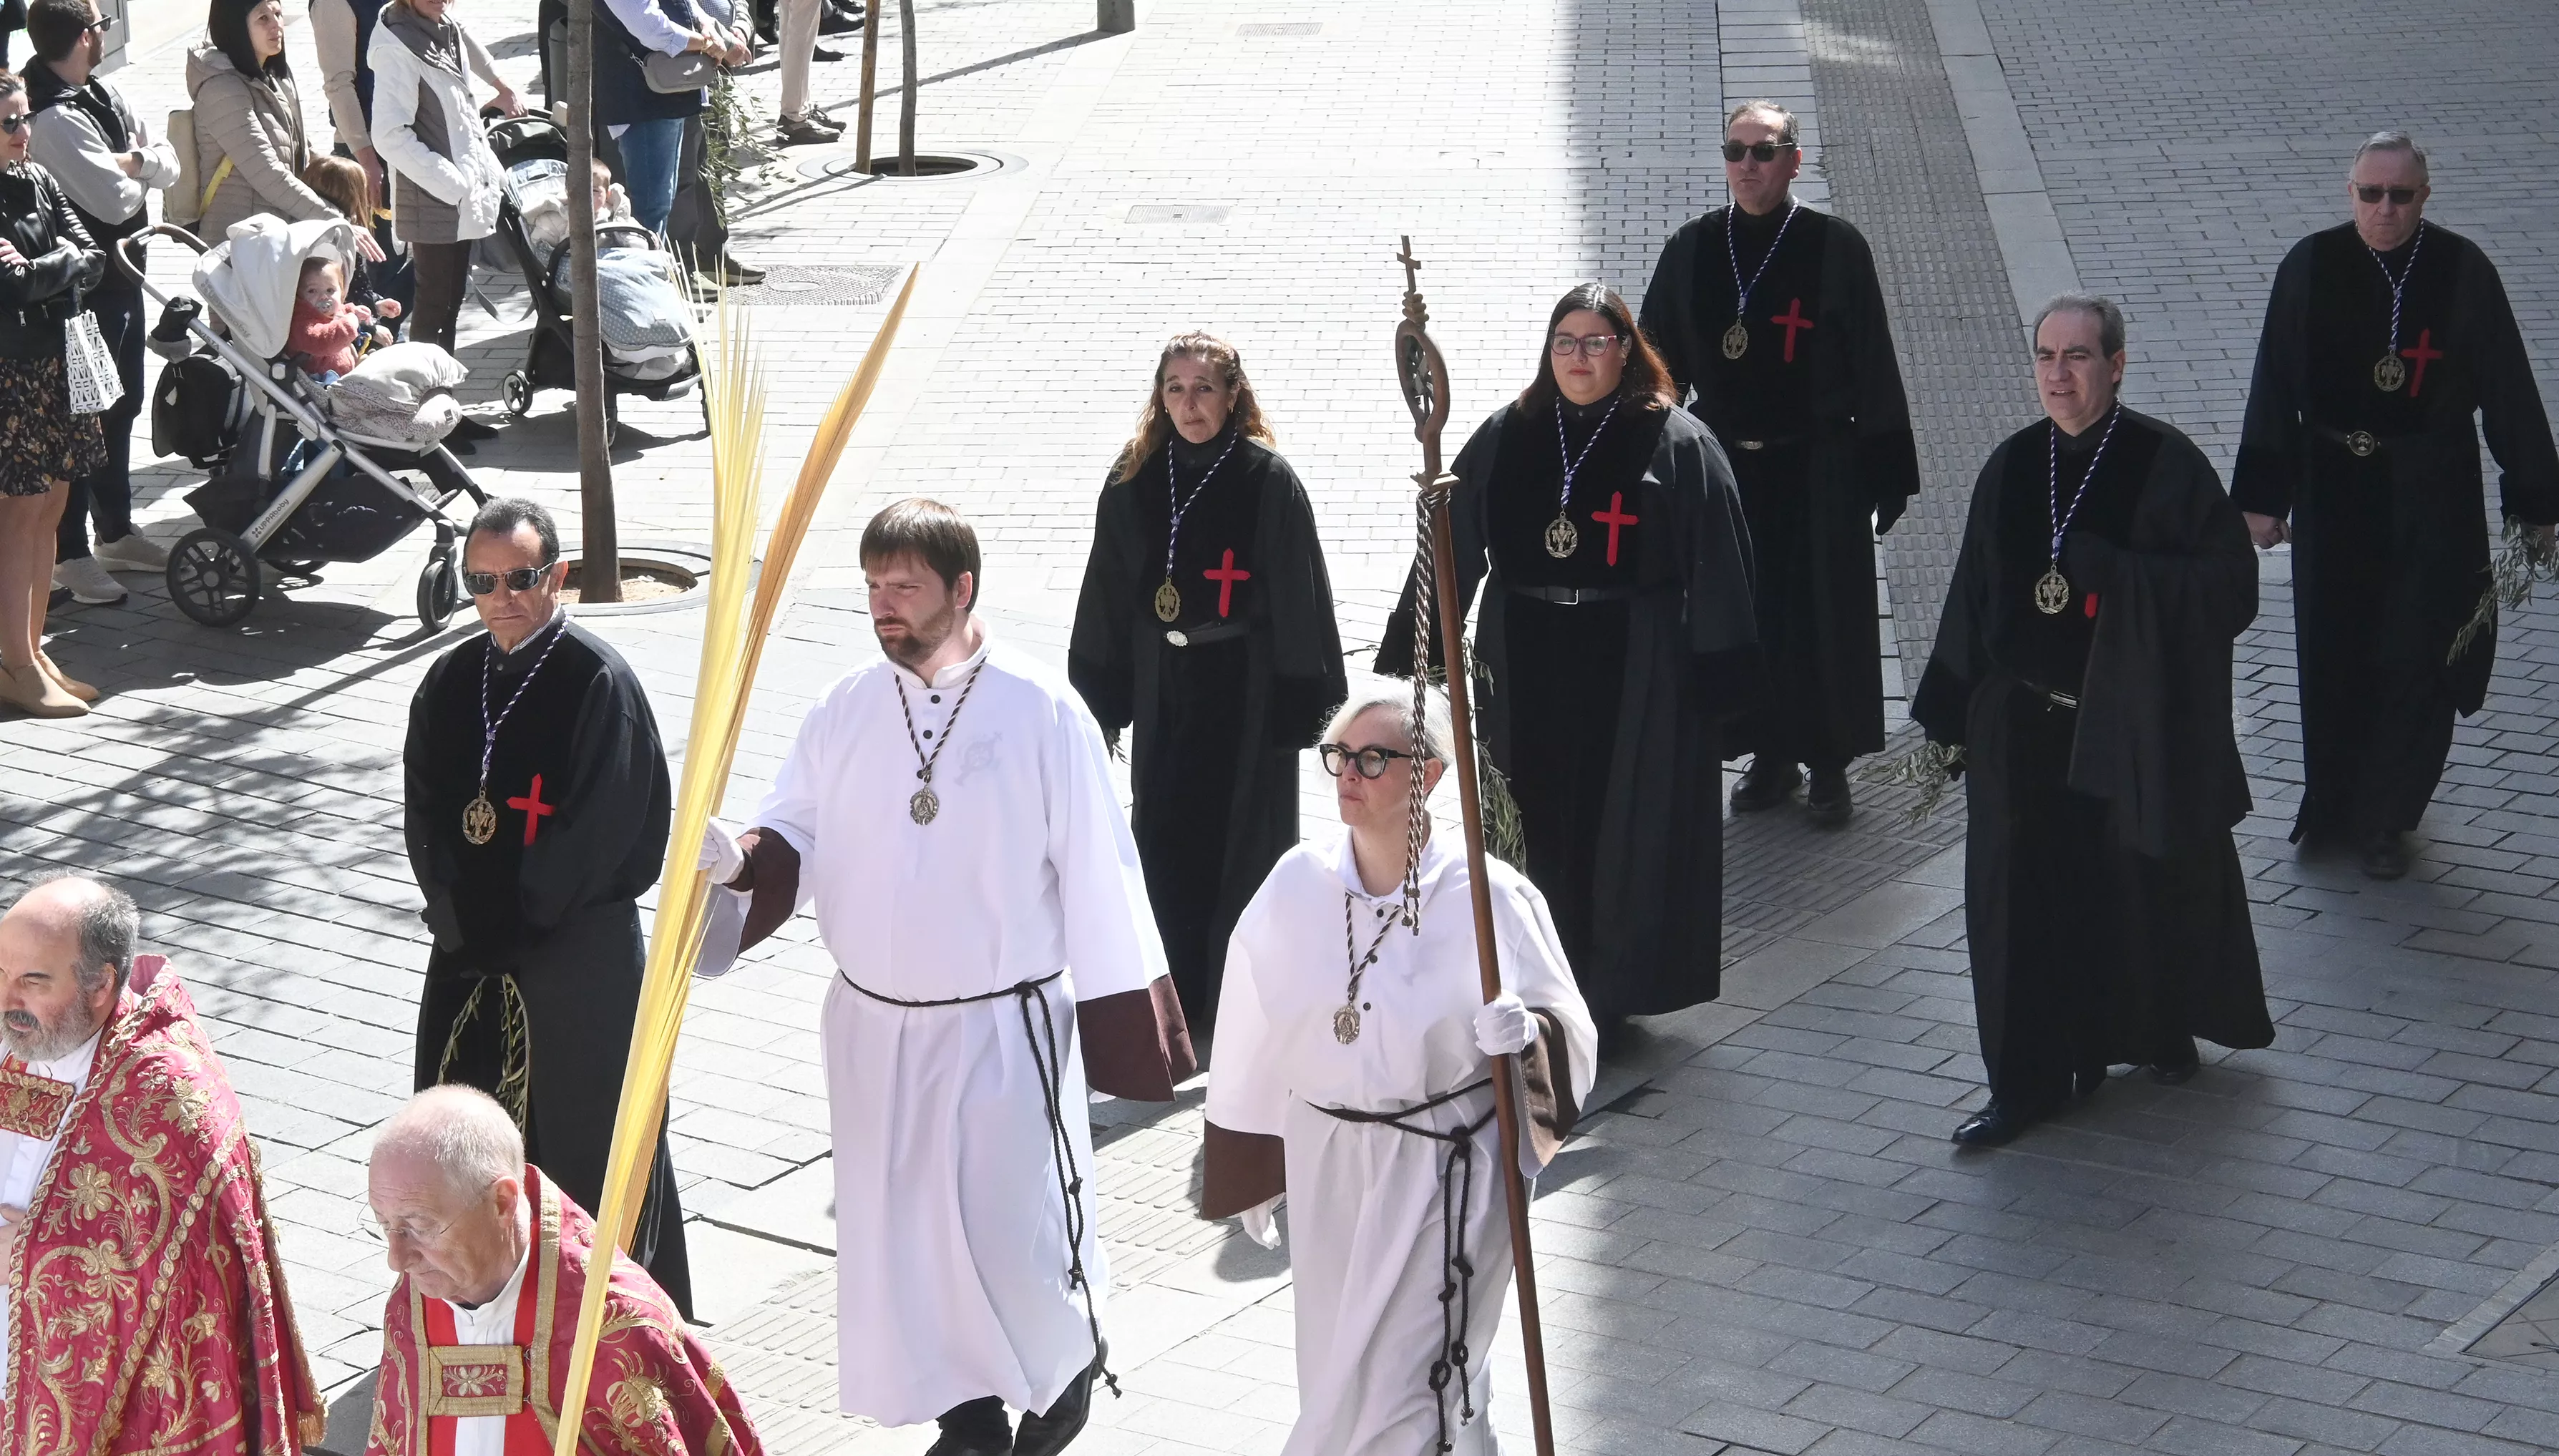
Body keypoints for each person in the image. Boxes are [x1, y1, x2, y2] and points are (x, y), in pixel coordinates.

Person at [696, 499, 1196, 1456]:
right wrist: (743, 857)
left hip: (1000, 1028)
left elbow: (1100, 867)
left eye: (905, 587)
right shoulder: (845, 704)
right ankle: (965, 1418)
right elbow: (796, 826)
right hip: (875, 1030)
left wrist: (1132, 1022)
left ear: (962, 589)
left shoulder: (1040, 708)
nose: (884, 606)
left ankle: (1065, 1368)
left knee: (1014, 1228)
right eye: (874, 587)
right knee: (905, 1239)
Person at [1911, 294, 2273, 1146]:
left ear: (2116, 364)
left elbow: (2232, 588)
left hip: (2123, 723)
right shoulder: (2011, 464)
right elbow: (1974, 593)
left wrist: (2126, 574)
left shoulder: (2162, 461)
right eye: (2046, 356)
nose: (2059, 374)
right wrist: (1950, 716)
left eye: (2079, 356)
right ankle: (2024, 1085)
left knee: (2129, 893)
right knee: (2013, 908)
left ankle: (2148, 1028)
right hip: (2021, 722)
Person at [1202, 684, 1596, 1455]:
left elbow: (1570, 1036)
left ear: (1432, 777)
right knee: (1341, 1375)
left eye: (1374, 758)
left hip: (1445, 1171)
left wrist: (1525, 1039)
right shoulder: (1295, 883)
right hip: (1332, 1172)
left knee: (1411, 1384)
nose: (1349, 773)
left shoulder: (1489, 897)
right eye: (1340, 756)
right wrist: (1251, 1159)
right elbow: (1249, 1021)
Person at [1378, 283, 1757, 1045]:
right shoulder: (1508, 432)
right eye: (1565, 342)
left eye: (1596, 342)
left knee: (1623, 828)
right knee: (1528, 823)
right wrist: (1416, 650)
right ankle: (1531, 981)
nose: (1579, 358)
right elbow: (1451, 547)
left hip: (1634, 659)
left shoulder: (1678, 442)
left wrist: (1725, 686)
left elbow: (1719, 565)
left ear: (1627, 350)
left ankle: (1606, 994)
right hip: (1525, 654)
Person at [2233, 131, 2559, 881]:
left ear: (2425, 196)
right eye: (2370, 193)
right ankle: (2334, 799)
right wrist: (2260, 497)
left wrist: (2537, 500)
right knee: (2335, 648)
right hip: (2333, 488)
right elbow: (2272, 386)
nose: (2384, 208)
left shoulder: (2462, 270)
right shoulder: (2309, 266)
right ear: (2349, 193)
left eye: (2400, 194)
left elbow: (2508, 387)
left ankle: (2389, 813)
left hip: (2430, 492)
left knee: (2418, 651)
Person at [401, 497, 693, 1314]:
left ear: (557, 576)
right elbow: (425, 808)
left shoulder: (597, 680)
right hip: (469, 950)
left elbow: (605, 825)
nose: (503, 597)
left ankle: (601, 1315)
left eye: (522, 578)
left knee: (585, 1140)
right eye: (483, 581)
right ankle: (476, 1301)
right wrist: (458, 911)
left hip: (573, 956)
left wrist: (523, 915)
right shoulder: (453, 678)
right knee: (464, 1141)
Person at [1640, 99, 1919, 825]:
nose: (1748, 166)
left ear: (1795, 159)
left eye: (1764, 151)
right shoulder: (1695, 248)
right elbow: (1654, 362)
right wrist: (1635, 445)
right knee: (1745, 618)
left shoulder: (1834, 245)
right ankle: (1767, 755)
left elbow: (1872, 360)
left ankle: (1827, 765)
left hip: (1816, 467)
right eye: (1736, 151)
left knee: (1819, 620)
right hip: (1726, 470)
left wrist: (1884, 466)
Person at [1068, 332, 1346, 1030]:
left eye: (1204, 389)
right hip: (1167, 681)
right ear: (1159, 398)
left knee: (1247, 845)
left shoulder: (1265, 479)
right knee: (1161, 836)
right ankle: (1176, 998)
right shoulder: (1135, 474)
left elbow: (1298, 592)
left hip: (1244, 685)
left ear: (1232, 396)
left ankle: (1243, 997)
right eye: (1175, 389)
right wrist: (1105, 692)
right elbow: (1107, 585)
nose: (1189, 404)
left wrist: (1303, 707)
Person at [0, 876, 326, 1450]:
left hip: (121, 1409)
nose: (7, 1001)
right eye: (0, 973)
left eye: (32, 981)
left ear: (100, 985)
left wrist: (29, 1254)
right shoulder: (22, 1037)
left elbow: (185, 1276)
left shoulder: (170, 1096)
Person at [363, 1085, 766, 1455]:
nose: (396, 1260)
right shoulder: (417, 1299)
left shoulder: (613, 1327)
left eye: (420, 1226)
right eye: (384, 1225)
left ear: (502, 1203)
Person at [24, 0, 175, 610]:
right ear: (87, 36)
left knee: (124, 404)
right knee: (88, 415)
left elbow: (170, 159)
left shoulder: (101, 95)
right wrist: (145, 167)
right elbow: (114, 205)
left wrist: (135, 161)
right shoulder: (54, 118)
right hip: (84, 291)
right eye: (101, 26)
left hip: (122, 276)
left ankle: (116, 531)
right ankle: (71, 555)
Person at [0, 69, 105, 720]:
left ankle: (32, 651)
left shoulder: (36, 178)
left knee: (55, 503)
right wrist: (56, 267)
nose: (23, 131)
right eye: (9, 122)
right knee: (20, 512)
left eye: (26, 116)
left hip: (57, 360)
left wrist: (46, 268)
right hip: (13, 371)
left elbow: (92, 254)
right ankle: (12, 657)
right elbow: (12, 289)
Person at [368, 0, 518, 383]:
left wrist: (502, 87)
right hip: (431, 197)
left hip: (456, 195)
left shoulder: (443, 24)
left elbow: (471, 65)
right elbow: (388, 134)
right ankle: (422, 410)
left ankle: (445, 405)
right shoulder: (397, 42)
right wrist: (451, 182)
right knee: (432, 307)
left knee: (450, 304)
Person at [188, 0, 346, 240]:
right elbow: (267, 173)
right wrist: (332, 218)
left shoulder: (275, 76)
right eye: (263, 19)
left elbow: (298, 147)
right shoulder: (221, 89)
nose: (277, 26)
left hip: (276, 234)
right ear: (235, 26)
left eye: (278, 14)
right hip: (239, 241)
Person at [301, 152, 404, 338]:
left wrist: (376, 305)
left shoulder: (323, 234)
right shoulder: (330, 245)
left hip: (356, 318)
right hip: (342, 331)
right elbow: (329, 303)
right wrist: (369, 329)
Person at [288, 254, 370, 377]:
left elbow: (341, 311)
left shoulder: (332, 311)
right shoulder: (301, 324)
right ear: (298, 295)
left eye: (330, 290)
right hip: (323, 383)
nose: (324, 297)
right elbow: (324, 341)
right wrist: (349, 324)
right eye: (312, 291)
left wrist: (354, 312)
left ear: (341, 292)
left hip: (346, 372)